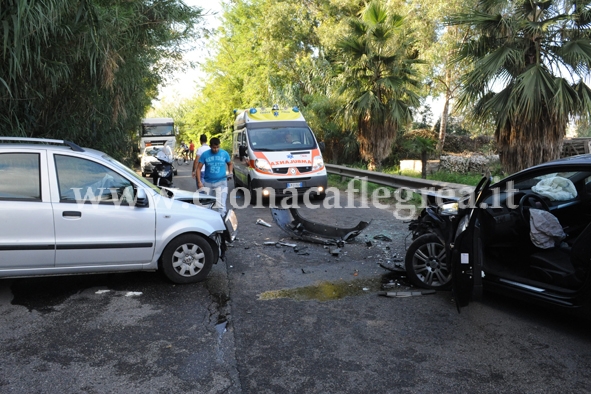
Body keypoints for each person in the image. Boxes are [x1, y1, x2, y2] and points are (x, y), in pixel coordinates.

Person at [196, 137, 233, 216]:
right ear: (210, 146)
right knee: (207, 205)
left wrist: (230, 172)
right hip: (208, 183)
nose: (216, 149)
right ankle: (209, 222)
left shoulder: (224, 153)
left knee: (221, 204)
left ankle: (223, 223)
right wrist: (199, 182)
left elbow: (230, 164)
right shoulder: (205, 154)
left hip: (221, 182)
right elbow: (198, 168)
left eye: (217, 147)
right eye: (214, 147)